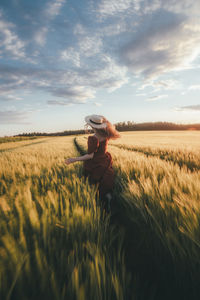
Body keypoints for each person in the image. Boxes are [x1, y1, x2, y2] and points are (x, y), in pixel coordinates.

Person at [65, 114, 120, 212]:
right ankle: (109, 200)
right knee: (105, 183)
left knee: (94, 184)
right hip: (105, 160)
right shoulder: (106, 134)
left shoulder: (93, 139)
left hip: (95, 164)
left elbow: (90, 156)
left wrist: (74, 159)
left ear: (91, 126)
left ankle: (98, 205)